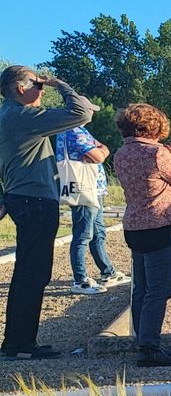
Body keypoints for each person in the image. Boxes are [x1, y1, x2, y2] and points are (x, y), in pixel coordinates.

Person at [0, 66, 95, 360]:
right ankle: (20, 344)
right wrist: (59, 83)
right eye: (37, 85)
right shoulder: (22, 116)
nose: (41, 90)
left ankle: (17, 341)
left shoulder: (6, 116)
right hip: (35, 200)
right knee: (34, 272)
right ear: (20, 89)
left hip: (21, 196)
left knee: (27, 270)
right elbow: (82, 114)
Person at [111, 104, 171, 367]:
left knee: (141, 288)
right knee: (158, 290)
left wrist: (169, 156)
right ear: (153, 127)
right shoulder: (158, 153)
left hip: (135, 226)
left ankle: (143, 341)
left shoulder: (121, 154)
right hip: (160, 225)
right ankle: (150, 348)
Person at [55, 125, 129, 294]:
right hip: (85, 190)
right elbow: (98, 156)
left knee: (97, 232)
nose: (90, 114)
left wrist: (101, 150)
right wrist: (103, 150)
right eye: (87, 109)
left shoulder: (74, 130)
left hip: (91, 190)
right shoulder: (73, 130)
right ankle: (80, 280)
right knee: (83, 235)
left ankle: (107, 271)